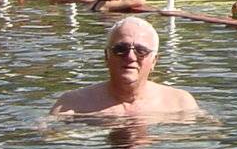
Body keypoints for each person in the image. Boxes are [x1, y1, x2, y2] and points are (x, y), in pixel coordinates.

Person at [50, 18, 198, 117]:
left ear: (154, 61)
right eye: (121, 49)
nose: (131, 57)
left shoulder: (180, 104)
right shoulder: (72, 105)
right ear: (106, 56)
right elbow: (48, 139)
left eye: (141, 51)